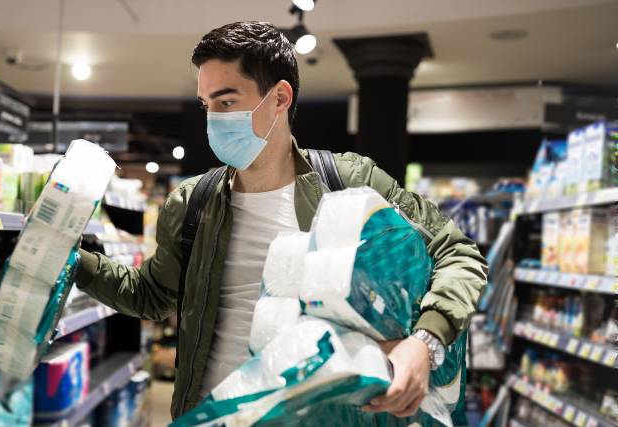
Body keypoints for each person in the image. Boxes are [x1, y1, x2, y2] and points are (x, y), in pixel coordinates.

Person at [75, 21, 488, 420]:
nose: (213, 120)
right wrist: (73, 260)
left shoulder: (348, 184)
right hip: (213, 414)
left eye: (227, 101)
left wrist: (425, 341)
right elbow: (151, 295)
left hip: (317, 415)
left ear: (280, 97)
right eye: (206, 105)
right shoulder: (192, 202)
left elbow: (457, 252)